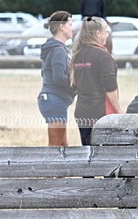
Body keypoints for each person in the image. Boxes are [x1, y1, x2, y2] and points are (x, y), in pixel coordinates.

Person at [70, 16, 123, 145]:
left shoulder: (77, 55)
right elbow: (110, 87)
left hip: (82, 112)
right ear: (98, 33)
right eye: (106, 31)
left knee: (88, 153)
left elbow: (74, 84)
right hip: (101, 114)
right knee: (103, 155)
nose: (107, 34)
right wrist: (119, 111)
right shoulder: (103, 56)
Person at [37, 11, 76, 146]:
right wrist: (76, 83)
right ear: (61, 27)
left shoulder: (56, 48)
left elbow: (45, 73)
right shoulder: (58, 50)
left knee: (63, 146)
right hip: (55, 100)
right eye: (70, 24)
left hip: (53, 100)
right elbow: (59, 78)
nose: (73, 28)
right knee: (54, 147)